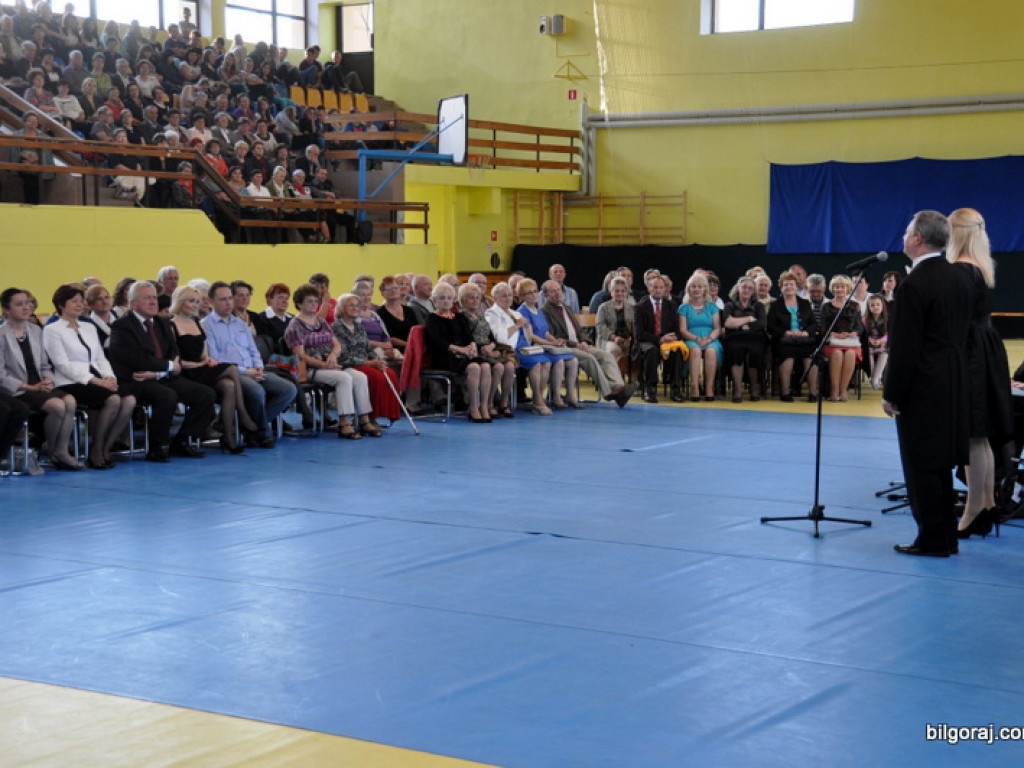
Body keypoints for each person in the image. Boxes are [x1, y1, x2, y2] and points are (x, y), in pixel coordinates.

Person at [884, 210, 974, 557]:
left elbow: (905, 347)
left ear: (919, 238)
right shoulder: (960, 277)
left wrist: (893, 393)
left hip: (923, 385)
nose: (904, 236)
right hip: (954, 380)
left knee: (920, 463)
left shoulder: (914, 285)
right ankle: (945, 536)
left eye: (908, 231)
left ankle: (932, 538)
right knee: (941, 463)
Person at [946, 207, 1015, 538]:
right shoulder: (981, 268)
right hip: (988, 349)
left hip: (972, 353)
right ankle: (985, 503)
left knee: (973, 434)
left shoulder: (961, 270)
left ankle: (973, 509)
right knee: (982, 435)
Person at [107, 281, 216, 462]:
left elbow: (173, 352)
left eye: (154, 297)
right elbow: (138, 360)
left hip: (161, 376)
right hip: (137, 380)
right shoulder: (122, 326)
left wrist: (162, 371)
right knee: (167, 396)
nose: (152, 302)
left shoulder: (162, 322)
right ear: (133, 304)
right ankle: (158, 447)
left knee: (206, 394)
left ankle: (181, 441)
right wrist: (169, 367)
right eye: (146, 298)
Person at [43, 284, 136, 469]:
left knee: (130, 400)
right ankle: (96, 449)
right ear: (61, 305)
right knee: (113, 400)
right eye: (74, 301)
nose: (79, 304)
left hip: (97, 377)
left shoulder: (88, 327)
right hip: (71, 381)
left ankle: (106, 448)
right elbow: (62, 364)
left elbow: (100, 357)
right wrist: (96, 381)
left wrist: (110, 377)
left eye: (81, 301)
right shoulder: (53, 329)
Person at [202, 282, 296, 448]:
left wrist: (259, 367)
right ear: (211, 301)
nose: (229, 303)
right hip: (230, 373)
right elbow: (216, 359)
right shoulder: (206, 325)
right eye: (223, 299)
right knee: (256, 391)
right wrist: (247, 371)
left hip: (254, 370)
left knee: (288, 389)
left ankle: (249, 426)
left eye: (230, 298)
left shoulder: (240, 323)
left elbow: (253, 350)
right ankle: (263, 434)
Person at [169, 286, 259, 455]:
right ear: (180, 302)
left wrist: (206, 360)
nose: (195, 305)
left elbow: (204, 353)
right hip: (187, 371)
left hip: (201, 368)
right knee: (231, 368)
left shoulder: (196, 323)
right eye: (191, 301)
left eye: (197, 301)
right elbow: (176, 360)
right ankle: (243, 414)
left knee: (229, 386)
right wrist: (198, 364)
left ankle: (228, 437)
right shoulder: (171, 325)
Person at [0, 287, 82, 470]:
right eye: (19, 304)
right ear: (6, 310)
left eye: (27, 303)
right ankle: (53, 450)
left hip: (38, 385)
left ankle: (60, 450)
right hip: (19, 388)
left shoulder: (36, 330)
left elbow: (45, 364)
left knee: (70, 400)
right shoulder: (2, 335)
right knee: (58, 406)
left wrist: (48, 380)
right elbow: (1, 375)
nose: (26, 307)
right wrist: (30, 387)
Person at [284, 283, 374, 439]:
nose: (313, 304)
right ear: (299, 304)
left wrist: (333, 355)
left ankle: (364, 419)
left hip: (332, 364)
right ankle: (344, 422)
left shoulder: (322, 322)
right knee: (344, 378)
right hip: (312, 368)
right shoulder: (295, 325)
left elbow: (336, 343)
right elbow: (300, 355)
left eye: (315, 301)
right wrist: (325, 365)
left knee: (360, 377)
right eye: (309, 301)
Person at [542, 279, 633, 407]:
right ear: (546, 295)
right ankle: (609, 392)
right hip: (564, 347)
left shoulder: (566, 307)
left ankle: (618, 387)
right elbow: (554, 336)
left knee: (605, 355)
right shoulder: (544, 311)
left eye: (558, 290)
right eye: (552, 291)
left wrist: (584, 341)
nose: (557, 293)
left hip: (580, 344)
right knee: (589, 358)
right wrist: (576, 344)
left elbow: (580, 330)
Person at [425, 283, 493, 422]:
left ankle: (484, 406)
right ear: (435, 301)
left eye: (449, 298)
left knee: (485, 366)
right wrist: (462, 349)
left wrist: (472, 346)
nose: (446, 301)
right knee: (474, 367)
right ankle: (473, 407)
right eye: (442, 298)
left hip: (463, 353)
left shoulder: (459, 317)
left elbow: (468, 336)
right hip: (444, 355)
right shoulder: (432, 319)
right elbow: (438, 342)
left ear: (453, 300)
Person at [330, 293, 397, 427]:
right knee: (374, 376)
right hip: (349, 364)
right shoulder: (335, 328)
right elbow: (343, 356)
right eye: (351, 305)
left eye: (357, 305)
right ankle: (370, 416)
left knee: (390, 373)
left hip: (366, 362)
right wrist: (369, 363)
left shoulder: (359, 327)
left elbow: (368, 347)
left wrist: (377, 360)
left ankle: (384, 413)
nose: (355, 308)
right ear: (342, 308)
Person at [517, 278, 580, 409]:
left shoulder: (538, 310)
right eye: (529, 293)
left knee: (573, 360)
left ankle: (568, 394)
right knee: (552, 362)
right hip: (531, 346)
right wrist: (550, 344)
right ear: (522, 296)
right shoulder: (522, 311)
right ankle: (540, 397)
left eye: (535, 291)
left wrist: (554, 340)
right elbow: (531, 336)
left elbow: (545, 331)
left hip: (544, 345)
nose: (533, 295)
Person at [458, 282, 517, 418]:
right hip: (473, 352)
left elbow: (491, 337)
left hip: (487, 350)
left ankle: (502, 402)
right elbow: (465, 339)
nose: (475, 300)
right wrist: (482, 349)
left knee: (509, 365)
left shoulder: (481, 316)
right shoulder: (461, 317)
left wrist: (492, 347)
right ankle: (487, 404)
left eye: (477, 297)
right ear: (462, 300)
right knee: (498, 367)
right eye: (471, 297)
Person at [630, 275, 684, 403]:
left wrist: (672, 337)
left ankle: (676, 389)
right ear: (649, 288)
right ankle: (650, 389)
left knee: (677, 351)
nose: (658, 290)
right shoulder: (640, 307)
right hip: (647, 342)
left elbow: (677, 330)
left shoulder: (671, 305)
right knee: (652, 351)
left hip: (667, 342)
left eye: (661, 287)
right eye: (655, 287)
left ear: (665, 289)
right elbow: (639, 334)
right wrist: (660, 339)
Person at [766, 270, 819, 403]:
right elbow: (771, 326)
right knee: (787, 356)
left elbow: (813, 324)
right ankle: (785, 392)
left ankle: (813, 393)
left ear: (796, 286)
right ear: (781, 288)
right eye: (785, 284)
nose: (789, 287)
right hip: (784, 341)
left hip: (804, 339)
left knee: (811, 357)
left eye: (791, 284)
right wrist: (786, 332)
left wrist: (806, 332)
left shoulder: (805, 304)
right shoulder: (775, 305)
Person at [721, 276, 767, 403]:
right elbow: (727, 323)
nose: (746, 290)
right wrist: (749, 319)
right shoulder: (729, 305)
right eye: (744, 287)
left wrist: (738, 323)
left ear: (753, 291)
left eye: (750, 288)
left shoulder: (758, 306)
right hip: (734, 337)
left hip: (755, 337)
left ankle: (754, 387)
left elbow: (762, 323)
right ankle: (737, 388)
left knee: (755, 352)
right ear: (738, 288)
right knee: (735, 351)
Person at [678, 272, 722, 401]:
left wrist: (709, 339)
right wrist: (697, 339)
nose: (696, 289)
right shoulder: (684, 307)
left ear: (705, 290)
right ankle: (695, 387)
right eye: (693, 286)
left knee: (711, 351)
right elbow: (683, 330)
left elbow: (717, 328)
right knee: (696, 350)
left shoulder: (712, 307)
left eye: (700, 286)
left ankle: (709, 387)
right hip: (691, 338)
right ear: (688, 289)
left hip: (710, 337)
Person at [820, 274, 863, 402]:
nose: (839, 289)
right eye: (837, 287)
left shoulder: (855, 306)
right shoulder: (826, 306)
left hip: (851, 343)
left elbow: (859, 328)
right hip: (832, 342)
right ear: (832, 289)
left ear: (848, 288)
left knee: (850, 354)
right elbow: (822, 328)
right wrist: (835, 334)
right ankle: (834, 390)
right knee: (837, 354)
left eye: (842, 287)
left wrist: (852, 334)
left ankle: (843, 390)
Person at [863, 294, 889, 390]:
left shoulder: (887, 319)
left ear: (882, 306)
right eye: (872, 305)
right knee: (867, 352)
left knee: (885, 351)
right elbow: (863, 334)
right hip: (869, 345)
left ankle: (877, 377)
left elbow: (888, 334)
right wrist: (870, 340)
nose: (875, 307)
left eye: (878, 304)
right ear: (869, 307)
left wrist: (880, 341)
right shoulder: (865, 320)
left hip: (882, 344)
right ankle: (873, 377)